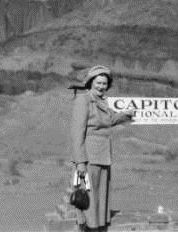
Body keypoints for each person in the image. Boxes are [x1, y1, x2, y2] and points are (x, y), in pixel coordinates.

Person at [69, 65, 133, 232]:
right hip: (89, 157)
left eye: (104, 83)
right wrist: (80, 162)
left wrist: (127, 115)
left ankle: (98, 227)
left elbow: (110, 120)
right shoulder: (83, 100)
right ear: (90, 82)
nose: (101, 86)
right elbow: (77, 132)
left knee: (101, 195)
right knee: (89, 196)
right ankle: (89, 228)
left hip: (103, 155)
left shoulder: (102, 101)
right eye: (98, 83)